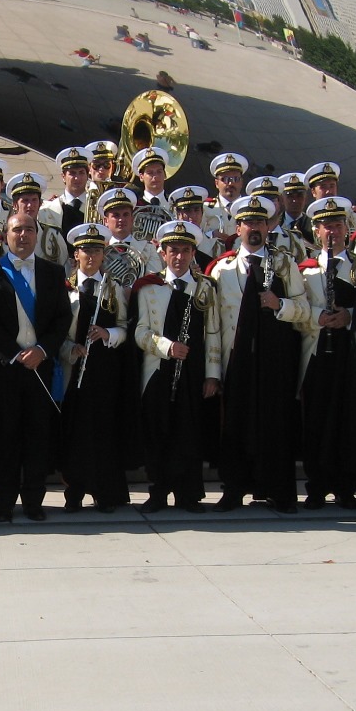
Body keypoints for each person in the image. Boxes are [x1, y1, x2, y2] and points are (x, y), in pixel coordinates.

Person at [209, 192, 314, 511]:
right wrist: (214, 370)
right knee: (236, 426)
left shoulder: (283, 264)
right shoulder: (221, 269)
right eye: (247, 222)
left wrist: (278, 303)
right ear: (237, 227)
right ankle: (234, 488)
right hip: (235, 358)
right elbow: (212, 325)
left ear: (269, 226)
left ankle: (277, 490)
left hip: (273, 361)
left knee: (274, 424)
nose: (254, 227)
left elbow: (305, 310)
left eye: (260, 221)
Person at [0, 211, 70, 521]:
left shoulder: (53, 272)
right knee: (6, 437)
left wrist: (42, 349)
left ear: (37, 234)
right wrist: (15, 353)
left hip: (40, 367)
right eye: (17, 230)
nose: (23, 235)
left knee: (38, 437)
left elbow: (62, 319)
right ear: (7, 235)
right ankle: (4, 503)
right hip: (5, 369)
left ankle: (33, 502)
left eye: (29, 229)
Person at [133, 219, 220, 511]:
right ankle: (158, 491)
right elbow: (140, 332)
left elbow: (213, 333)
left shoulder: (206, 288)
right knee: (158, 432)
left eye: (185, 250)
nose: (179, 257)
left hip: (193, 372)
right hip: (159, 371)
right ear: (162, 252)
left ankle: (188, 494)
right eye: (173, 250)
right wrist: (167, 347)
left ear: (193, 253)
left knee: (188, 434)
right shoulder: (149, 287)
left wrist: (212, 375)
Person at [299, 194, 356, 511]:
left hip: (347, 352)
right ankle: (316, 486)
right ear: (317, 231)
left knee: (346, 418)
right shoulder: (306, 269)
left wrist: (349, 316)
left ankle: (345, 486)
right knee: (316, 419)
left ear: (347, 228)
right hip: (316, 352)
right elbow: (297, 309)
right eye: (326, 226)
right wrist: (318, 317)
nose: (332, 232)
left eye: (338, 225)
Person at [59, 222, 132, 513]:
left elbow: (125, 327)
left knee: (102, 432)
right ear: (75, 254)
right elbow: (56, 332)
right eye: (85, 250)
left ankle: (104, 492)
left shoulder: (113, 288)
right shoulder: (65, 287)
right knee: (75, 433)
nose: (91, 256)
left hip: (103, 371)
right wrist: (69, 349)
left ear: (104, 255)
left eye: (96, 250)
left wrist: (108, 334)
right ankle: (74, 492)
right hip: (74, 370)